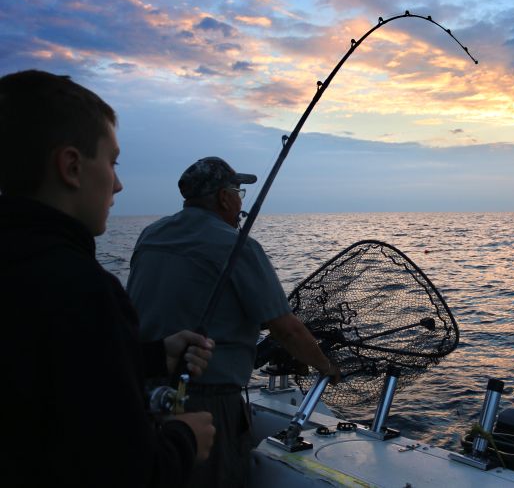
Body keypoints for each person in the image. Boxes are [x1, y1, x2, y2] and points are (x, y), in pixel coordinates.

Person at [0, 69, 216, 487]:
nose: (118, 184)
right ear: (72, 167)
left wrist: (153, 356)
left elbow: (43, 377)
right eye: (112, 162)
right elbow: (127, 473)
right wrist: (184, 439)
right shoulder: (83, 289)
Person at [127, 156, 341, 488]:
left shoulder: (150, 235)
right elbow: (286, 329)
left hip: (142, 394)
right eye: (238, 191)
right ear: (225, 198)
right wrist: (325, 366)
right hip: (207, 405)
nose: (240, 200)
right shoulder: (238, 246)